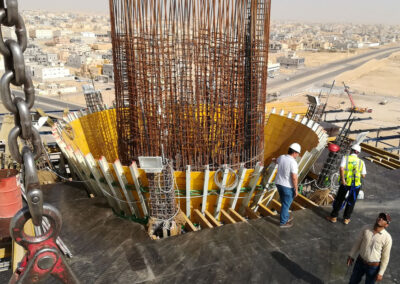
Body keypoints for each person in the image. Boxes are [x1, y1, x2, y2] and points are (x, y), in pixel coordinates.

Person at [347, 212, 392, 284]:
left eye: (384, 219)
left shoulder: (387, 238)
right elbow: (358, 242)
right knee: (353, 282)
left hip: (373, 268)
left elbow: (385, 257)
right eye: (380, 217)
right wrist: (351, 255)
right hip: (360, 262)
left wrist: (381, 273)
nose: (381, 218)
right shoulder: (366, 228)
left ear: (386, 225)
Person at [327, 144, 366, 224]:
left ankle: (333, 217)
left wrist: (342, 179)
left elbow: (341, 168)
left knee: (339, 200)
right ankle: (346, 219)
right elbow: (363, 175)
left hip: (345, 183)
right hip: (356, 185)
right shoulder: (361, 162)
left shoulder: (346, 158)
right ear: (358, 152)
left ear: (352, 150)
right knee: (351, 201)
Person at [274, 143, 301, 228]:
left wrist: (272, 159)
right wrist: (296, 189)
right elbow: (294, 177)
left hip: (279, 184)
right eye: (298, 153)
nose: (298, 155)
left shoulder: (282, 157)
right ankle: (283, 222)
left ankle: (285, 217)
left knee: (284, 202)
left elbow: (275, 160)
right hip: (287, 186)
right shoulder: (293, 162)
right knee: (286, 205)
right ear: (295, 153)